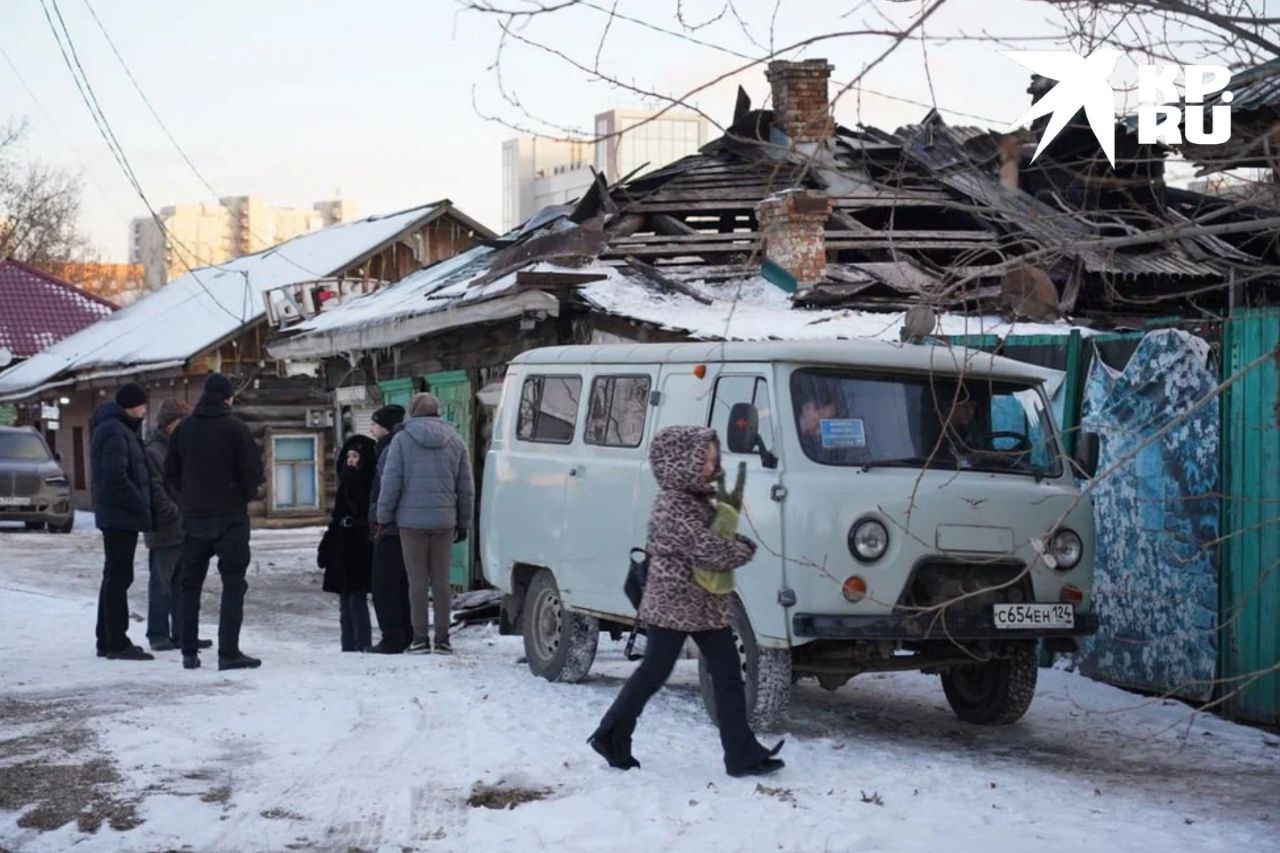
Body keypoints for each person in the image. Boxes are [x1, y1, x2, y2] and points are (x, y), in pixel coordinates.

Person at [589, 425, 784, 778]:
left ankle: (741, 754)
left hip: (706, 605)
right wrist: (743, 547)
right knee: (653, 673)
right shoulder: (671, 505)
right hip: (673, 606)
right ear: (681, 462)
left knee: (727, 676)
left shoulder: (697, 500)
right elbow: (709, 550)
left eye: (713, 459)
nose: (712, 466)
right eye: (704, 460)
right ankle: (611, 735)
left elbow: (712, 539)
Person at [166, 373, 265, 671]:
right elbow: (253, 473)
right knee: (233, 584)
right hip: (230, 519)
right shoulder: (235, 428)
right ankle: (228, 652)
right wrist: (242, 496)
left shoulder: (185, 429)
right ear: (227, 397)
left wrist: (187, 500)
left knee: (189, 584)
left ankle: (188, 651)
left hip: (194, 519)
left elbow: (170, 472)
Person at [376, 392, 473, 655]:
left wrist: (383, 517)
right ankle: (442, 638)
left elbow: (391, 482)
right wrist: (463, 522)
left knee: (416, 581)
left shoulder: (402, 440)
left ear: (414, 411)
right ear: (438, 411)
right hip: (444, 522)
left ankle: (419, 638)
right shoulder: (455, 440)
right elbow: (465, 488)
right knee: (442, 582)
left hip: (411, 523)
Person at [92, 382, 159, 661]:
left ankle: (107, 639)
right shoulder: (115, 431)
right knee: (119, 577)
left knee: (115, 577)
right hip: (119, 515)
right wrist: (140, 504)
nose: (145, 409)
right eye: (142, 404)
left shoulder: (120, 428)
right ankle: (116, 642)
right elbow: (116, 477)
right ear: (133, 405)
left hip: (118, 514)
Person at [143, 398, 211, 653]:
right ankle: (158, 634)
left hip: (188, 526)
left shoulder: (185, 447)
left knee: (184, 583)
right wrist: (174, 514)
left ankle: (183, 633)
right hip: (166, 527)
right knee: (161, 582)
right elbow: (154, 489)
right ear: (170, 423)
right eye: (183, 421)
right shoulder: (153, 452)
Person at [319, 435, 377, 651]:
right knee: (344, 598)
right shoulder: (347, 478)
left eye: (356, 457)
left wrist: (351, 480)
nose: (351, 461)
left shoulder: (364, 479)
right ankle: (348, 644)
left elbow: (360, 508)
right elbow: (337, 514)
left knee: (356, 597)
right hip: (342, 542)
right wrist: (327, 544)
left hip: (359, 543)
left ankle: (362, 643)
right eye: (349, 456)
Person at [367, 404, 411, 654]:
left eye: (374, 423)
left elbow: (387, 488)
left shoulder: (389, 450)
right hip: (406, 525)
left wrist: (377, 517)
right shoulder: (403, 444)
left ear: (385, 426)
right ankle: (405, 634)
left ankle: (392, 637)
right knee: (403, 583)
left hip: (391, 526)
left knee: (384, 584)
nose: (371, 429)